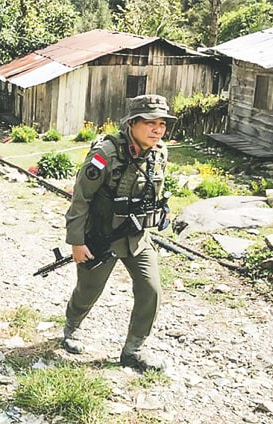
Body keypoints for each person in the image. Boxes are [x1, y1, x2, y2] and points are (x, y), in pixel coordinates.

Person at [62, 94, 176, 372]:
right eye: (150, 123)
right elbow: (81, 199)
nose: (157, 129)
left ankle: (133, 350)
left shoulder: (159, 153)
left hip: (136, 237)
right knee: (89, 290)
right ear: (132, 124)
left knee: (151, 289)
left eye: (162, 123)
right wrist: (77, 241)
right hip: (100, 237)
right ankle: (71, 327)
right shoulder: (105, 154)